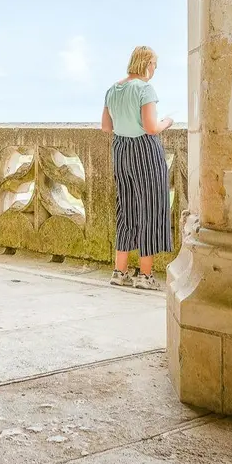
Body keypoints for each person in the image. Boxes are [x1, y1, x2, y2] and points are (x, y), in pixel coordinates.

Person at [100, 46, 174, 290]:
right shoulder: (144, 89)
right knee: (150, 209)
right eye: (154, 65)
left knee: (126, 209)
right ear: (147, 64)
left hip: (121, 150)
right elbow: (151, 127)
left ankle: (119, 272)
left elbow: (106, 127)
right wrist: (167, 122)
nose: (154, 70)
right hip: (144, 151)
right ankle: (145, 275)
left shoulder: (113, 89)